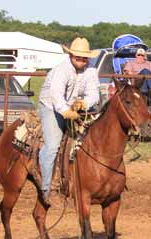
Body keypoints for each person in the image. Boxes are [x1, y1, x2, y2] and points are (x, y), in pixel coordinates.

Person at [38, 37, 100, 205]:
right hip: (51, 106)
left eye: (84, 57)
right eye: (78, 57)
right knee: (52, 146)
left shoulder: (91, 71)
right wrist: (65, 111)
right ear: (71, 56)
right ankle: (46, 188)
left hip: (75, 108)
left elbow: (94, 93)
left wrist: (84, 103)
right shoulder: (61, 70)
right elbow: (56, 94)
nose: (81, 60)